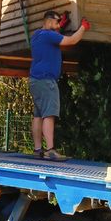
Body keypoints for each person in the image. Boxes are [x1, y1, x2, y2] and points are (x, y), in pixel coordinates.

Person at [29, 10, 89, 161]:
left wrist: (59, 26)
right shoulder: (49, 35)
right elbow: (72, 40)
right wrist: (83, 27)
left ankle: (38, 150)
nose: (58, 26)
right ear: (49, 22)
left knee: (38, 115)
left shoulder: (37, 35)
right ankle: (50, 150)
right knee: (49, 114)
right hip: (46, 80)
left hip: (35, 80)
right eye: (56, 23)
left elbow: (52, 36)